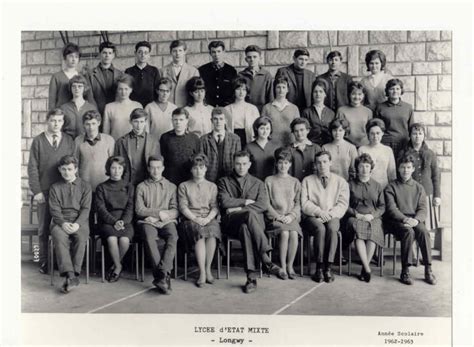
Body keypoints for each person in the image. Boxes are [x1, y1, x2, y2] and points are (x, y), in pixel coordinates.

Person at [217, 151, 284, 293]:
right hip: (231, 223)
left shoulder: (258, 183)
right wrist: (246, 202)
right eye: (238, 164)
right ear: (233, 164)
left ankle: (251, 277)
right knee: (248, 215)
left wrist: (236, 207)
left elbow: (263, 205)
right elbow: (224, 202)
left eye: (244, 164)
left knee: (245, 228)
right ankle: (266, 259)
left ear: (249, 165)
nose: (241, 167)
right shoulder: (224, 181)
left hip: (249, 225)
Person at [27, 108, 75, 274]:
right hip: (45, 193)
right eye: (53, 120)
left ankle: (60, 261)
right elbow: (32, 168)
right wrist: (37, 191)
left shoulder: (69, 141)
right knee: (43, 229)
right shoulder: (39, 141)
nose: (56, 124)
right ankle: (42, 261)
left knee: (61, 228)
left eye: (60, 121)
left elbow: (73, 166)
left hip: (63, 193)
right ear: (47, 121)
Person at [384, 154, 437, 286]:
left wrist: (417, 220)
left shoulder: (419, 187)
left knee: (424, 232)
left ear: (413, 169)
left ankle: (428, 269)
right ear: (398, 168)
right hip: (396, 221)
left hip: (414, 219)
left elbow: (423, 208)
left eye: (408, 167)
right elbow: (392, 209)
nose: (405, 170)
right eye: (403, 167)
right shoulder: (391, 187)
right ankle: (405, 271)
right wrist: (405, 219)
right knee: (408, 232)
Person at [301, 150, 349, 283]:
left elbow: (343, 204)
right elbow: (304, 203)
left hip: (332, 215)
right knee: (320, 229)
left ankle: (328, 267)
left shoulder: (341, 181)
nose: (322, 165)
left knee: (333, 229)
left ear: (330, 163)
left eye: (325, 162)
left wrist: (329, 214)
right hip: (312, 216)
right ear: (315, 164)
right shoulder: (307, 180)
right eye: (319, 162)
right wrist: (319, 212)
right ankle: (319, 267)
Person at [135, 156, 179, 295]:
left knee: (173, 236)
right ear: (148, 168)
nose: (155, 170)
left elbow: (175, 209)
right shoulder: (141, 186)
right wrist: (157, 214)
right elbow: (139, 210)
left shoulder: (171, 186)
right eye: (152, 167)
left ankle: (162, 274)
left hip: (166, 220)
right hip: (147, 221)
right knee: (149, 238)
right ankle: (163, 277)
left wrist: (162, 215)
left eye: (158, 167)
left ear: (163, 168)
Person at [49, 155, 92, 293]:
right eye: (64, 169)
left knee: (81, 238)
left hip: (80, 220)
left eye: (70, 169)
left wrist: (78, 224)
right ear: (59, 170)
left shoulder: (85, 186)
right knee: (60, 237)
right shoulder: (55, 187)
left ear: (76, 169)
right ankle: (71, 275)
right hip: (59, 220)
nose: (67, 172)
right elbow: (54, 209)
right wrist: (62, 223)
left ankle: (73, 274)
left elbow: (86, 209)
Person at [178, 153, 221, 287]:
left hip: (208, 218)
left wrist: (208, 218)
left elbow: (215, 206)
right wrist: (196, 218)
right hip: (190, 219)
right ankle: (202, 272)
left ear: (206, 169)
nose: (198, 171)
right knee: (200, 233)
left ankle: (208, 269)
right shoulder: (183, 186)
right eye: (195, 168)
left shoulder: (212, 186)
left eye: (201, 167)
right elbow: (183, 207)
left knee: (213, 232)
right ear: (191, 169)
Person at [345, 153, 385, 282]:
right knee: (359, 232)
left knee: (373, 232)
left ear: (371, 168)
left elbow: (382, 206)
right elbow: (344, 204)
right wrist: (356, 214)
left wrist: (372, 215)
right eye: (361, 166)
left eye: (367, 166)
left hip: (373, 217)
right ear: (357, 168)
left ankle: (364, 268)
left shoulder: (377, 186)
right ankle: (367, 269)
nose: (364, 169)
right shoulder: (349, 184)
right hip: (355, 216)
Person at [95, 156, 135, 282]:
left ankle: (115, 265)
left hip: (125, 221)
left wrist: (123, 221)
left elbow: (130, 207)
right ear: (108, 169)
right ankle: (118, 267)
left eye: (119, 168)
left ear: (123, 169)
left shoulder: (129, 186)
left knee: (124, 240)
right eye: (113, 168)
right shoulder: (101, 187)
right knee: (112, 239)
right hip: (107, 221)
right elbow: (101, 209)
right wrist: (114, 221)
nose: (116, 171)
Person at [264, 148, 302, 280]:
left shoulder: (295, 182)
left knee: (294, 233)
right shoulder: (269, 180)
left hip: (290, 217)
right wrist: (277, 216)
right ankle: (283, 267)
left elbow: (298, 203)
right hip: (276, 217)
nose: (283, 166)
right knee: (285, 233)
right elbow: (266, 203)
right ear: (276, 164)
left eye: (286, 163)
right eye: (280, 162)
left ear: (290, 164)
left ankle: (290, 265)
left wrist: (291, 216)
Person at [397, 123, 441, 230]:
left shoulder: (430, 154)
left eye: (420, 133)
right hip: (410, 195)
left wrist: (437, 195)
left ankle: (424, 245)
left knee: (426, 226)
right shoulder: (403, 153)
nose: (417, 136)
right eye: (414, 133)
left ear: (424, 136)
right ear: (410, 136)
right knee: (412, 226)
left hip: (427, 194)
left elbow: (436, 175)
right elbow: (399, 173)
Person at [114, 108, 161, 185]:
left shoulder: (153, 141)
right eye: (136, 122)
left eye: (142, 122)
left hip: (147, 182)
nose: (139, 126)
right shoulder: (121, 141)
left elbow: (157, 163)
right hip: (127, 182)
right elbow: (117, 164)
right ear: (130, 122)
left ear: (146, 122)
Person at [74, 110, 115, 192]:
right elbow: (75, 163)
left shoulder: (109, 140)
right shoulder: (78, 140)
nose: (91, 127)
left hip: (104, 186)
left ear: (99, 123)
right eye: (87, 124)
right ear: (83, 125)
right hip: (84, 186)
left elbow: (113, 164)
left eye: (93, 124)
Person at [199, 107, 241, 182]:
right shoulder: (204, 140)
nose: (218, 122)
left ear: (226, 121)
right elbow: (202, 163)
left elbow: (238, 162)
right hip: (210, 180)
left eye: (221, 119)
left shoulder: (235, 139)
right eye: (215, 119)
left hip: (230, 180)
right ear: (211, 121)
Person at [160, 107, 200, 185]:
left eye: (181, 120)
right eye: (175, 120)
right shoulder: (165, 137)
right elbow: (162, 159)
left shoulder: (194, 138)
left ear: (187, 121)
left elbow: (197, 160)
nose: (178, 122)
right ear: (172, 121)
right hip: (170, 179)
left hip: (189, 180)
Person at [375, 78, 414, 156]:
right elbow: (377, 128)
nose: (395, 91)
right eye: (392, 89)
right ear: (387, 91)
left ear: (401, 90)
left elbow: (411, 127)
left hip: (403, 143)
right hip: (386, 143)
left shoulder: (408, 107)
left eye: (397, 89)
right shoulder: (380, 107)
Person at [49, 43, 93, 110]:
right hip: (60, 114)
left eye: (76, 57)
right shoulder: (56, 77)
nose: (73, 59)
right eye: (71, 56)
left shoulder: (82, 77)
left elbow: (88, 98)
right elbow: (52, 102)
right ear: (65, 58)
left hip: (77, 112)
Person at [86, 41, 124, 116]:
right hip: (97, 113)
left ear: (113, 55)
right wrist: (95, 113)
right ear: (100, 54)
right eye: (104, 53)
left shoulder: (120, 74)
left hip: (115, 113)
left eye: (110, 53)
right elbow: (89, 96)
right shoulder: (90, 74)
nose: (107, 55)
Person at [261, 77, 300, 148]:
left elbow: (298, 129)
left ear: (287, 89)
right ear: (274, 89)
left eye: (284, 87)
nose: (281, 90)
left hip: (290, 145)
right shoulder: (267, 107)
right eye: (278, 87)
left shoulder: (294, 108)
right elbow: (262, 128)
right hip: (271, 145)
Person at [102, 74, 143, 140]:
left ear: (131, 90)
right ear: (117, 90)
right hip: (115, 144)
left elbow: (142, 129)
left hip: (133, 144)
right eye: (120, 89)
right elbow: (105, 132)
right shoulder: (109, 107)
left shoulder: (137, 106)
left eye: (126, 89)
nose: (123, 92)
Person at [358, 118, 397, 188]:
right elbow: (358, 172)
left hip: (384, 187)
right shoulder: (362, 149)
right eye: (372, 133)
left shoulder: (388, 150)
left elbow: (392, 174)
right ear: (368, 134)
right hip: (367, 187)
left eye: (378, 133)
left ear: (382, 133)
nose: (375, 136)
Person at [160, 40, 200, 107]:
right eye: (174, 51)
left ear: (185, 52)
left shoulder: (193, 71)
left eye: (180, 50)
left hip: (186, 108)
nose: (177, 53)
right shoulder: (162, 71)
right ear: (171, 52)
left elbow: (196, 92)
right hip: (168, 108)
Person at [198, 40, 237, 107]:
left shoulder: (231, 71)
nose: (216, 55)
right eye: (214, 52)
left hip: (226, 107)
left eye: (219, 51)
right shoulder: (202, 70)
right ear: (210, 53)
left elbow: (234, 91)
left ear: (224, 52)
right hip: (207, 107)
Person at [275, 48, 315, 113]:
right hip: (287, 109)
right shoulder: (283, 72)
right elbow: (276, 91)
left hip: (305, 111)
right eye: (300, 59)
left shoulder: (311, 75)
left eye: (306, 60)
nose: (303, 62)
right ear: (294, 58)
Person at [223, 77, 260, 147]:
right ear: (234, 91)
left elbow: (257, 128)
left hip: (248, 138)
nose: (241, 92)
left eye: (244, 90)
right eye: (238, 89)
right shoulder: (227, 109)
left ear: (247, 92)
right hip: (232, 138)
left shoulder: (253, 109)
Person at [336, 81, 373, 147]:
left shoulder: (368, 112)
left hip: (364, 145)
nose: (356, 97)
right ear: (349, 95)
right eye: (353, 94)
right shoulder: (341, 110)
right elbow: (338, 130)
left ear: (363, 95)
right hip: (347, 145)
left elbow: (370, 131)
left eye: (359, 94)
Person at [125, 40, 161, 108]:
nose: (143, 55)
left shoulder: (154, 71)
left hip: (151, 106)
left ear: (149, 55)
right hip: (133, 107)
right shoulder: (129, 71)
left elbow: (157, 91)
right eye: (140, 52)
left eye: (146, 52)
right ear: (135, 53)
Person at [238, 45, 274, 112]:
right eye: (249, 57)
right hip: (245, 111)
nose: (252, 59)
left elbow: (270, 98)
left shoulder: (266, 75)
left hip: (262, 111)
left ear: (260, 58)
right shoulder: (241, 75)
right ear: (246, 59)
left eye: (255, 57)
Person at [301, 78, 336, 146]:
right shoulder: (306, 112)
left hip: (328, 146)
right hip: (311, 146)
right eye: (315, 91)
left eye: (321, 91)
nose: (318, 94)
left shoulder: (331, 113)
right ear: (312, 94)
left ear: (325, 94)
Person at [245, 116, 279, 181]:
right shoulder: (248, 147)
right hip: (254, 182)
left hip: (272, 183)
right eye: (262, 128)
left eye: (267, 128)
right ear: (256, 129)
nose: (265, 131)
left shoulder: (276, 147)